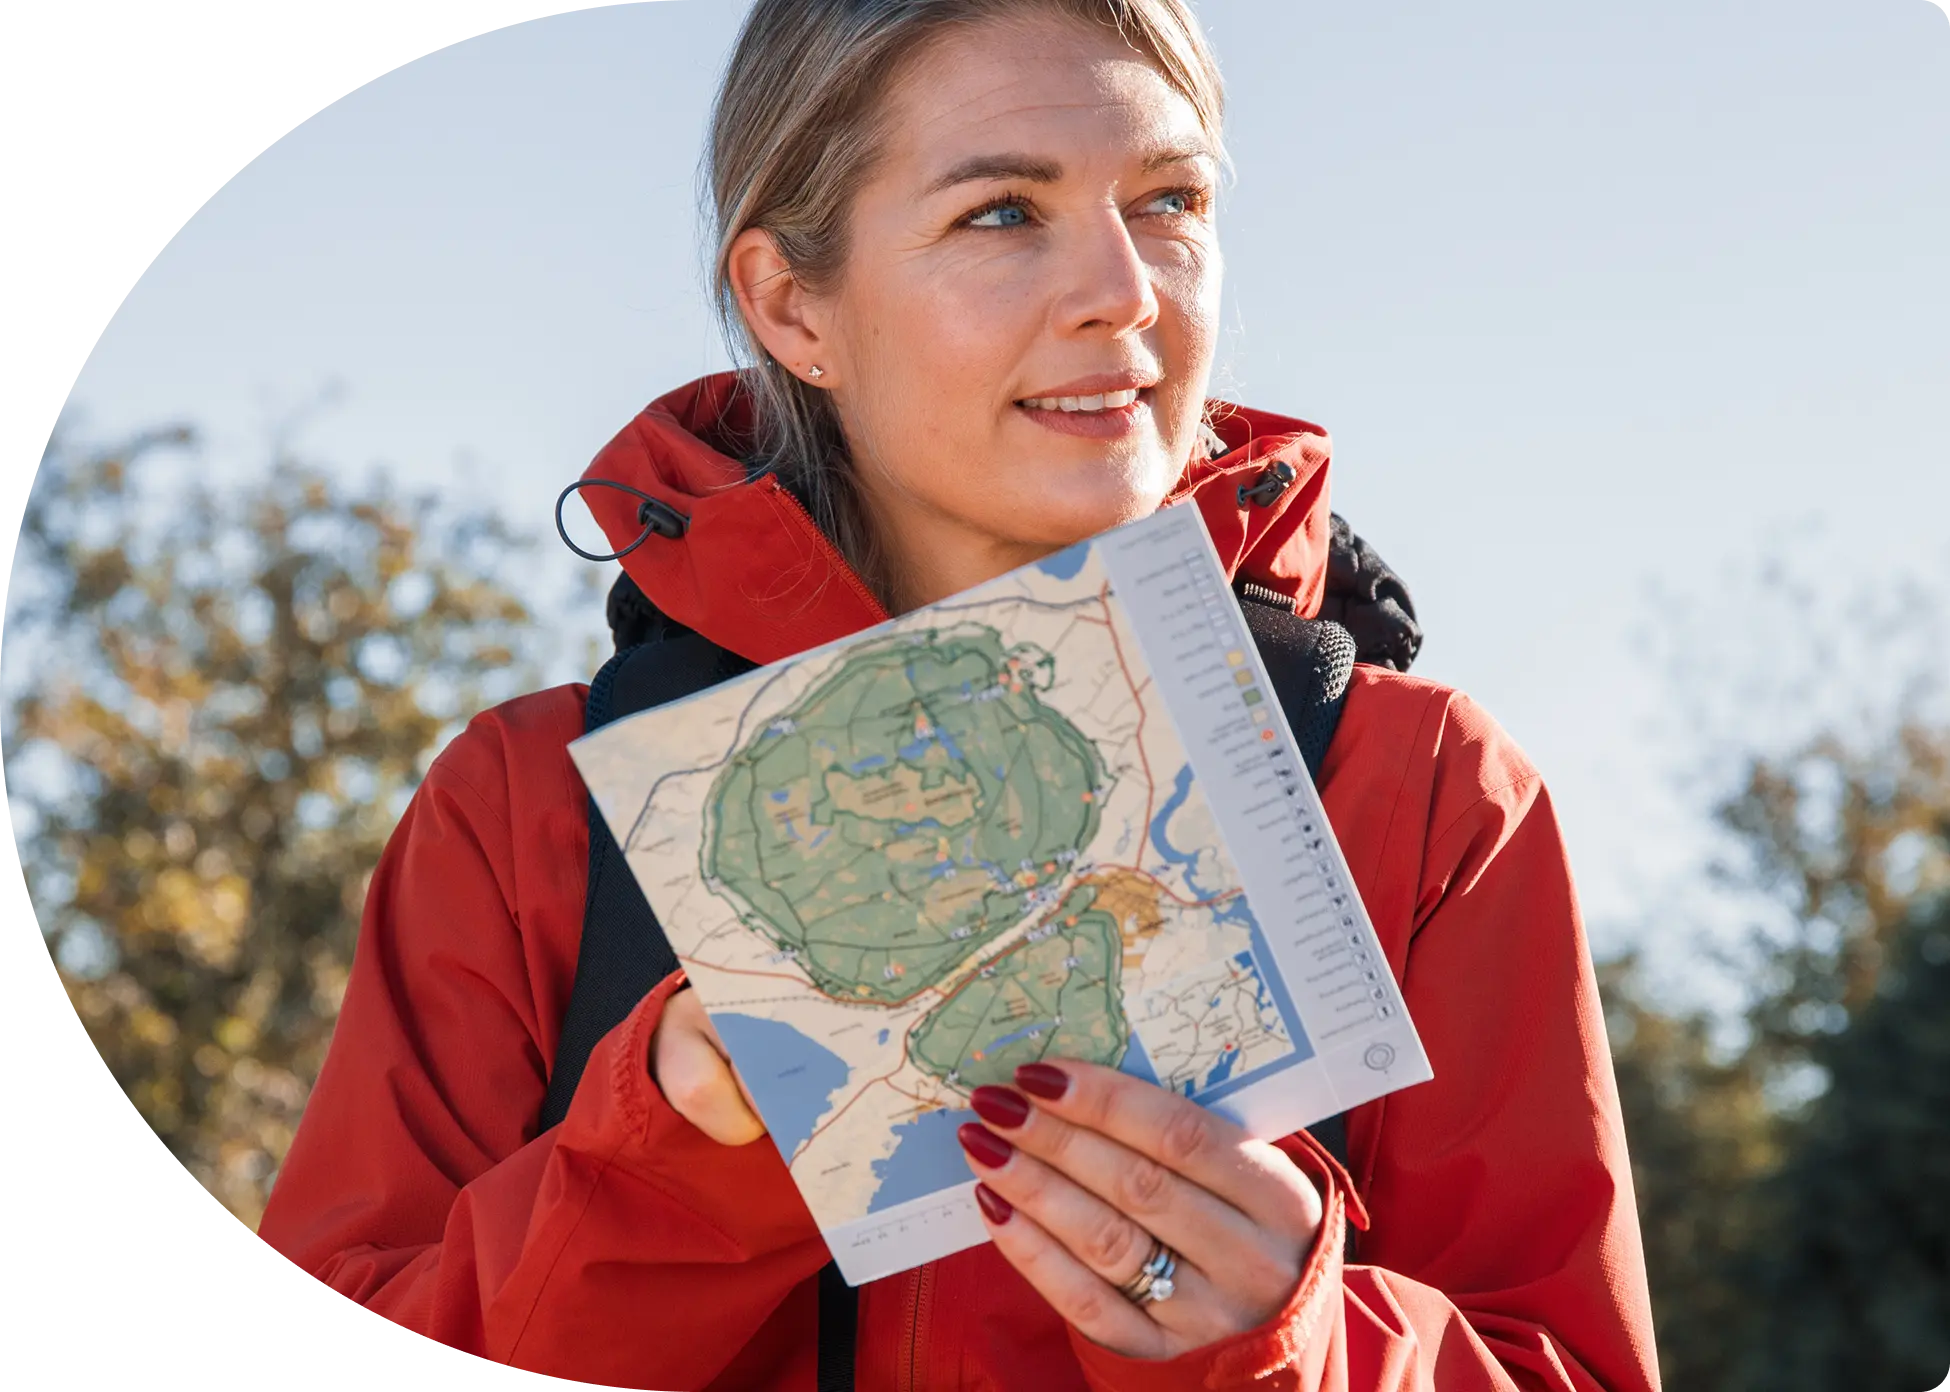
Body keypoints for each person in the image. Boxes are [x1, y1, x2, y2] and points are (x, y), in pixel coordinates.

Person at [257, 2, 1661, 1388]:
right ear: (791, 304)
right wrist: (671, 1155)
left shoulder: (1423, 791)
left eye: (1168, 199)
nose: (1122, 290)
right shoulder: (528, 813)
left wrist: (1294, 1342)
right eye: (1002, 213)